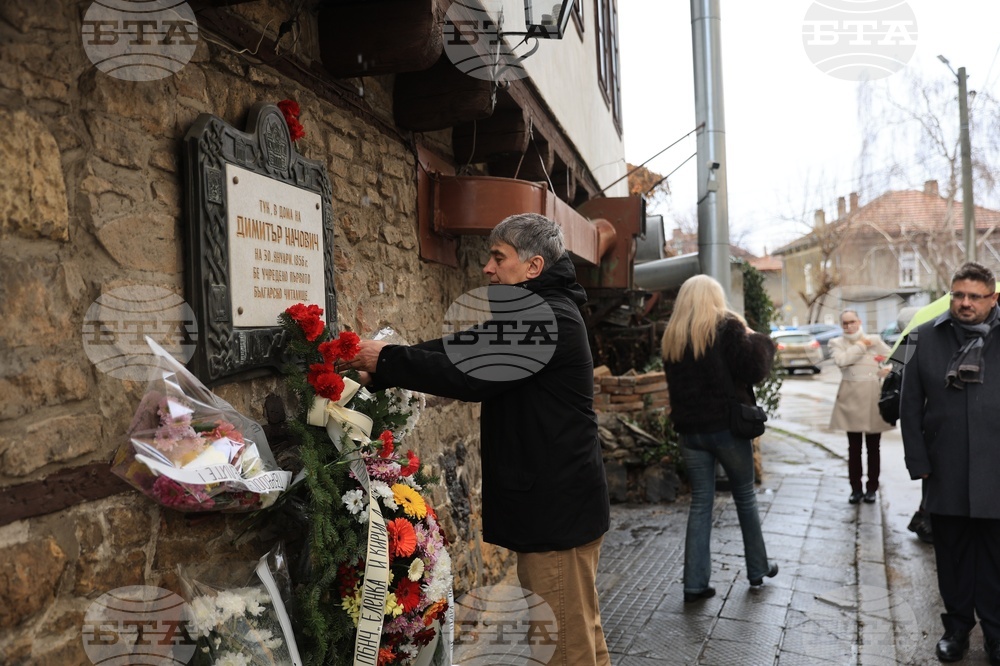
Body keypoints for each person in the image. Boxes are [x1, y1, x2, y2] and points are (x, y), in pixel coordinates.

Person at [344, 213, 611, 666]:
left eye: (498, 257)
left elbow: (468, 372)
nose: (487, 267)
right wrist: (385, 362)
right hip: (561, 509)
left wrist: (386, 360)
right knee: (579, 637)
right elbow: (462, 347)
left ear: (534, 266)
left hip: (557, 516)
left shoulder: (547, 320)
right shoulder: (539, 314)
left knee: (566, 650)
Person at [900, 261, 1000, 664]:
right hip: (946, 468)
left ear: (993, 298)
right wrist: (917, 460)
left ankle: (995, 634)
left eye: (975, 296)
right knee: (952, 556)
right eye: (958, 294)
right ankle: (956, 630)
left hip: (997, 469)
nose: (965, 303)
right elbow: (908, 405)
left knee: (995, 558)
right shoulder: (921, 336)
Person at [661, 274, 779, 603]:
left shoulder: (673, 335)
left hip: (690, 432)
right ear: (715, 297)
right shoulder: (727, 327)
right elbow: (754, 369)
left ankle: (695, 584)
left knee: (701, 503)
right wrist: (760, 340)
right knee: (745, 496)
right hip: (726, 428)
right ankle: (758, 568)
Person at [828, 310, 893, 504]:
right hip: (850, 401)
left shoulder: (874, 340)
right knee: (854, 449)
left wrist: (886, 370)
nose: (849, 326)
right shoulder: (836, 343)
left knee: (874, 448)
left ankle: (872, 488)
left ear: (859, 321)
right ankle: (855, 489)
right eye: (845, 323)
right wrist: (861, 345)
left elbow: (895, 359)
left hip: (873, 399)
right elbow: (842, 361)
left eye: (852, 322)